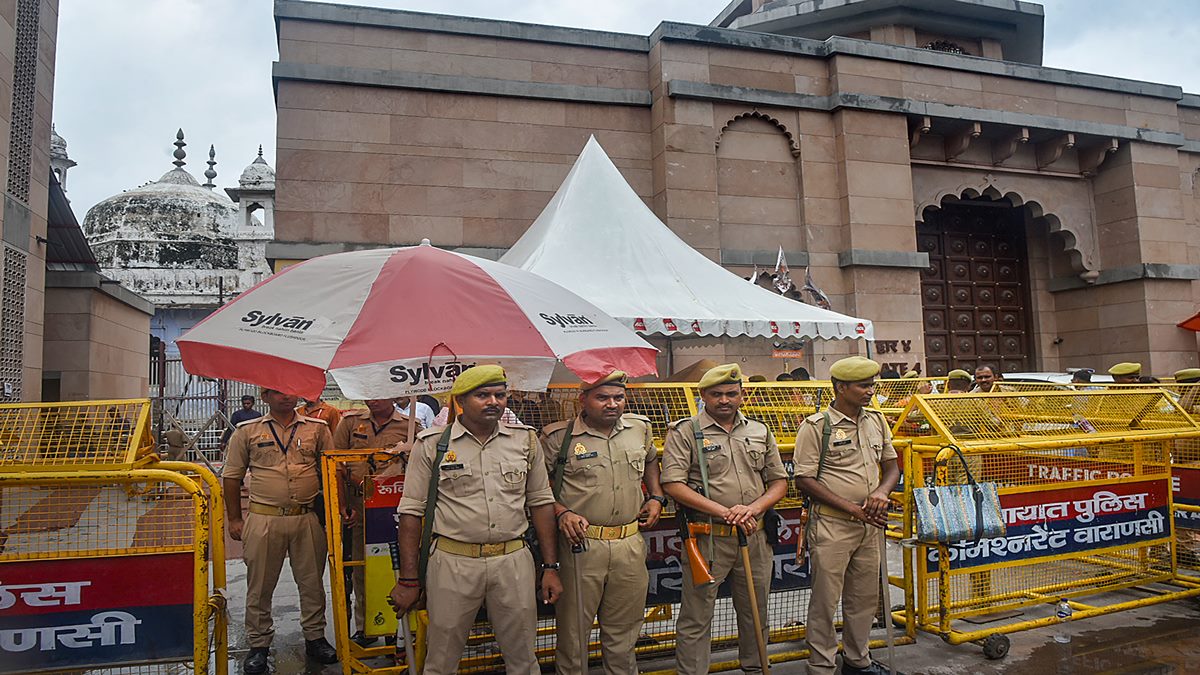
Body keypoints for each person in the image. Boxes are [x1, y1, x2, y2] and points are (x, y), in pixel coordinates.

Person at [390, 366, 561, 675]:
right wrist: (408, 579)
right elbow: (411, 513)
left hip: (513, 560)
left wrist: (550, 567)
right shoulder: (432, 444)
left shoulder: (525, 441)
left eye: (500, 394)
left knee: (524, 658)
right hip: (453, 562)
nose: (493, 401)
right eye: (482, 395)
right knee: (441, 660)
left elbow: (541, 504)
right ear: (460, 400)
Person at [661, 363, 788, 675]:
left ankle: (756, 668)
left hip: (755, 535)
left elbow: (779, 481)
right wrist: (724, 512)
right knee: (696, 616)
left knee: (756, 613)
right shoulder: (685, 432)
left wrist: (754, 508)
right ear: (703, 395)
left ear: (742, 395)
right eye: (716, 394)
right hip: (708, 537)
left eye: (732, 393)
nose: (725, 400)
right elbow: (672, 484)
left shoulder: (760, 430)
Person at [540, 370, 664, 675]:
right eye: (602, 398)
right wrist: (562, 512)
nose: (612, 404)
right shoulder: (558, 437)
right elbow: (536, 490)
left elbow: (650, 459)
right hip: (581, 547)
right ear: (583, 400)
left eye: (619, 397)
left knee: (624, 634)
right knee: (573, 635)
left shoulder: (639, 428)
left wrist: (656, 496)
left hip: (629, 545)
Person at [223, 387, 343, 673]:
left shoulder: (318, 429)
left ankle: (315, 638)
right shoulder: (247, 431)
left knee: (313, 582)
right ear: (265, 397)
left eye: (291, 392)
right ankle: (259, 644)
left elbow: (331, 470)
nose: (286, 397)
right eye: (277, 392)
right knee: (260, 584)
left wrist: (334, 512)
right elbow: (231, 476)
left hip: (306, 518)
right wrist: (235, 519)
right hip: (265, 517)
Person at [794, 356, 900, 675]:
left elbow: (892, 466)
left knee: (864, 598)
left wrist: (881, 493)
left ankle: (857, 660)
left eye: (873, 385)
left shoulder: (876, 421)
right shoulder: (817, 427)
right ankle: (822, 665)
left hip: (870, 527)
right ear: (841, 388)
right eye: (864, 386)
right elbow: (804, 479)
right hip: (833, 525)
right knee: (826, 602)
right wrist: (854, 508)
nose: (871, 392)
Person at [332, 398, 420, 646]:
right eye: (369, 394)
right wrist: (342, 505)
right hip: (360, 510)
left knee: (400, 566)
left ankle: (398, 629)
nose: (374, 400)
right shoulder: (350, 423)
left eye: (379, 394)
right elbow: (336, 465)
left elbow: (422, 464)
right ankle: (364, 627)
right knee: (361, 568)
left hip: (395, 510)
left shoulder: (411, 425)